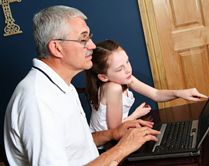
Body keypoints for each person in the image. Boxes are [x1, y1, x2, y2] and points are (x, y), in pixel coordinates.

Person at [3, 5, 160, 166]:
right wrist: (122, 148)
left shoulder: (61, 84)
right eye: (83, 39)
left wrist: (113, 133)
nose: (92, 45)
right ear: (57, 48)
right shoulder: (38, 100)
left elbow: (76, 144)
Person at [86, 40, 208, 132]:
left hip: (120, 132)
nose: (128, 70)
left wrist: (180, 93)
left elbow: (156, 94)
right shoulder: (113, 88)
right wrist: (136, 115)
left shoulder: (126, 79)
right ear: (103, 77)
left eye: (127, 62)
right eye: (119, 69)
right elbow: (114, 129)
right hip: (105, 145)